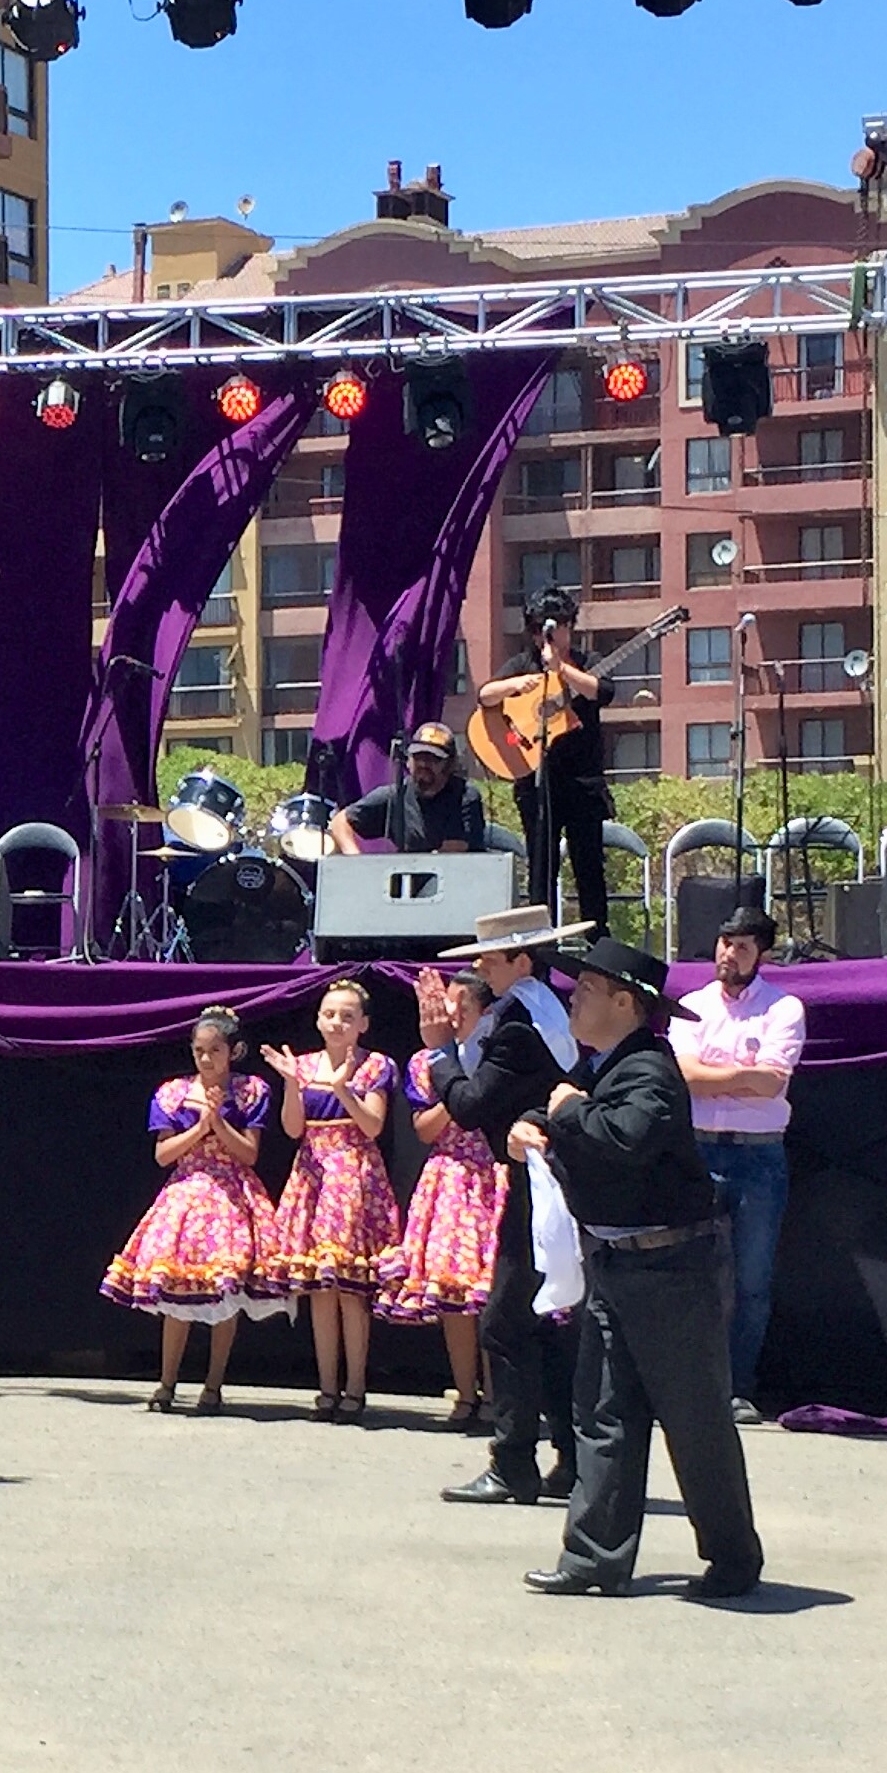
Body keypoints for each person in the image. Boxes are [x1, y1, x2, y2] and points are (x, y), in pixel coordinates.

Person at [512, 934, 766, 1601]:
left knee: (694, 1416)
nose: (575, 999)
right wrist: (537, 1124)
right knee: (602, 1411)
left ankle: (734, 1558)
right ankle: (594, 1557)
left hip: (671, 1267)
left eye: (588, 990)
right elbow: (572, 1114)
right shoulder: (606, 1067)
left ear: (625, 1003)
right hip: (617, 1264)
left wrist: (564, 1114)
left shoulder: (650, 1068)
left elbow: (623, 1138)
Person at [431, 906, 592, 1508]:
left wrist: (439, 1053)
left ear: (522, 962)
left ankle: (513, 1462)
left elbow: (471, 1106)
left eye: (490, 959)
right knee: (549, 1320)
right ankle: (570, 1458)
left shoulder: (520, 1022)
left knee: (505, 1319)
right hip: (550, 1174)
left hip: (542, 1178)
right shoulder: (544, 1011)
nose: (480, 969)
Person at [100, 1004, 280, 1414]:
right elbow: (163, 1154)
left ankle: (213, 1384)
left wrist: (218, 1123)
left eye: (214, 1050)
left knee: (224, 1286)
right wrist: (199, 1127)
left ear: (233, 1051)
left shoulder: (252, 1090)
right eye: (199, 1050)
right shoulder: (173, 1092)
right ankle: (167, 1382)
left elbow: (250, 1153)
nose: (205, 1059)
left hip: (232, 1193)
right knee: (177, 1290)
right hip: (187, 1191)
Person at [670, 900, 806, 1425]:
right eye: (726, 944)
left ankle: (737, 1386)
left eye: (743, 946)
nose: (729, 954)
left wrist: (714, 1073)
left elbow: (773, 1081)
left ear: (761, 955)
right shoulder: (692, 1004)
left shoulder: (783, 1008)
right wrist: (741, 1075)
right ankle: (688, 1385)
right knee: (692, 1274)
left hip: (758, 1155)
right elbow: (681, 1075)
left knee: (751, 1279)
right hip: (699, 1148)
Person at [257, 978, 400, 1419]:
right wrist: (291, 1086)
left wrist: (342, 1089)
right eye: (329, 1013)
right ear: (318, 1019)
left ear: (363, 1024)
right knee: (319, 1286)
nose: (337, 1022)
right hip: (313, 1173)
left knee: (350, 1287)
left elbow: (373, 1126)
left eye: (347, 1015)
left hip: (353, 1173)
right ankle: (326, 1386)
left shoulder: (375, 1064)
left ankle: (356, 1385)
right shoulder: (300, 1065)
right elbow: (294, 1129)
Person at [379, 969, 505, 1429]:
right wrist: (453, 1081)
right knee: (453, 1289)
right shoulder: (425, 1062)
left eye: (461, 1008)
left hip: (493, 1174)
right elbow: (425, 1129)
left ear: (483, 1012)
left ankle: (498, 1394)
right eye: (445, 1007)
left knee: (491, 1289)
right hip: (449, 1177)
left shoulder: (498, 1054)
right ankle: (465, 1390)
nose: (450, 1015)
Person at [480, 588, 610, 928]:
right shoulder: (522, 664)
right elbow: (485, 696)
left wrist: (563, 671)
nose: (546, 637)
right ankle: (538, 952)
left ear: (569, 626)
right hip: (537, 784)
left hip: (583, 783)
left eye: (554, 629)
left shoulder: (587, 661)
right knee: (541, 867)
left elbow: (602, 691)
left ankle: (596, 945)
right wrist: (517, 685)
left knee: (589, 867)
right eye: (538, 630)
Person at [326, 723, 485, 856]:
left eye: (432, 759)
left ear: (449, 764)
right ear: (408, 761)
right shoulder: (395, 795)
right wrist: (355, 859)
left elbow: (454, 850)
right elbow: (340, 821)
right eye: (418, 757)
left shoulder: (464, 795)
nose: (423, 764)